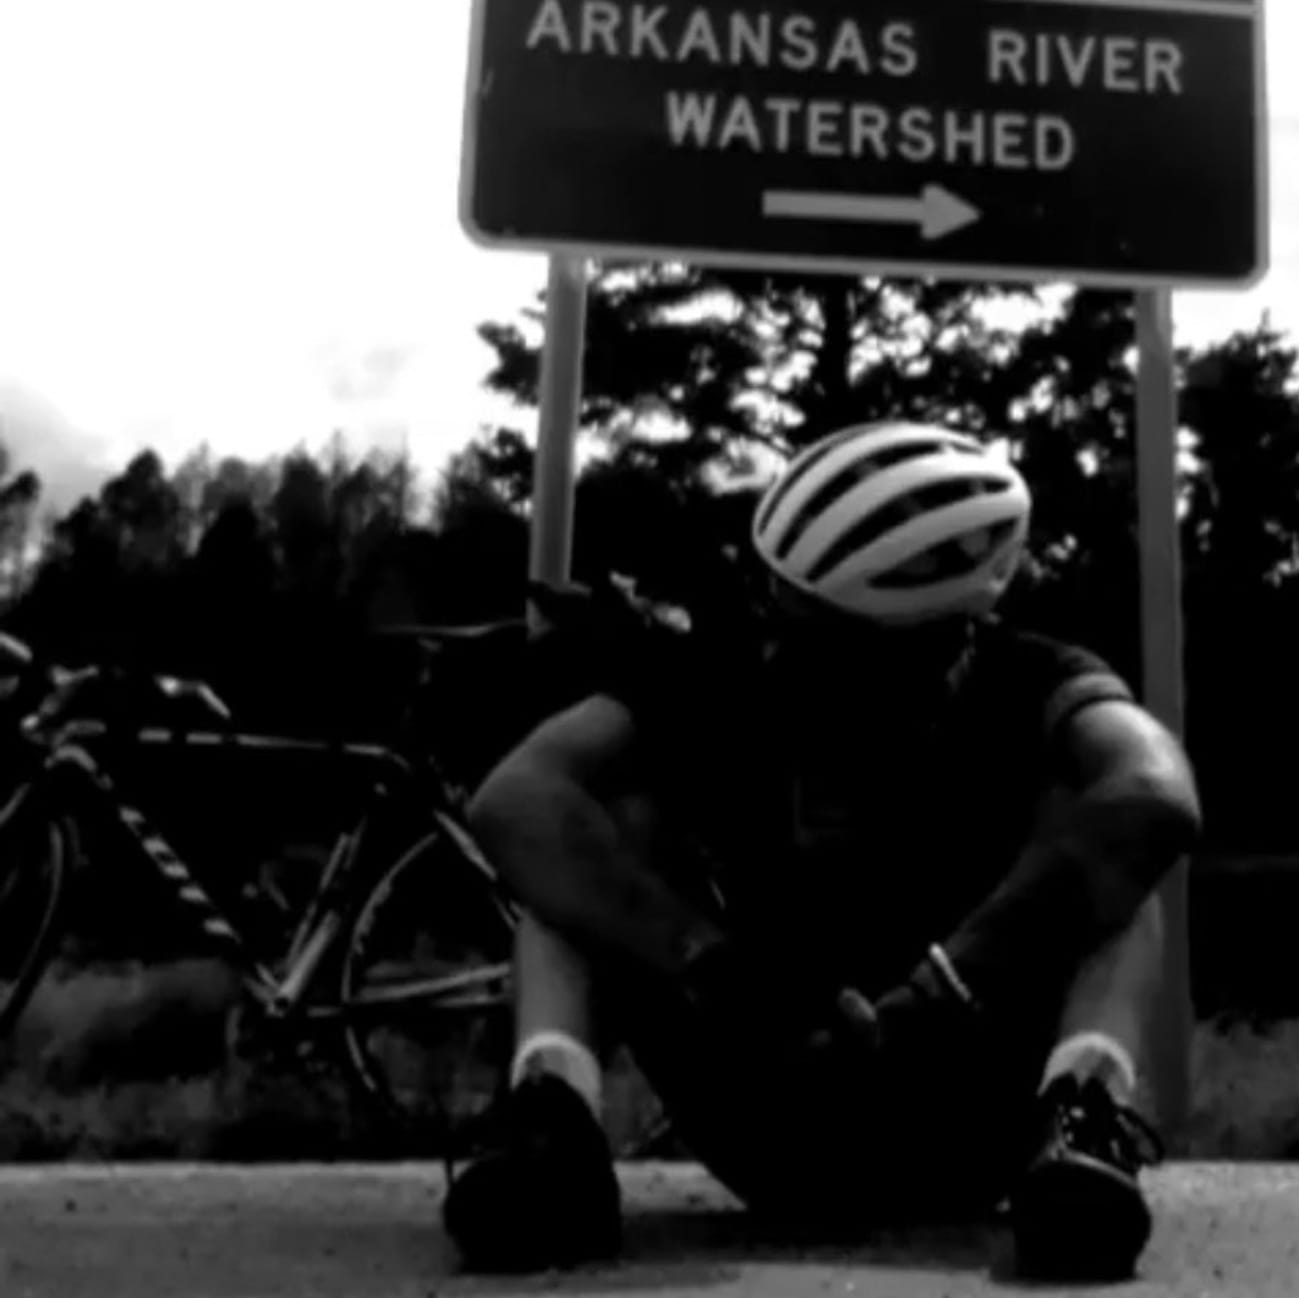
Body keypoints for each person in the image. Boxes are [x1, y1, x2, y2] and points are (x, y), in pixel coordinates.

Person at [441, 419, 1201, 1282]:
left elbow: (1154, 794)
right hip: (765, 1093)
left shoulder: (1034, 679)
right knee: (584, 841)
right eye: (780, 611)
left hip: (967, 1113)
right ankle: (552, 1131)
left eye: (827, 640)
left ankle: (1083, 1128)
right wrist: (710, 963)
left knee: (1113, 857)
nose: (785, 653)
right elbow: (516, 797)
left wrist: (948, 987)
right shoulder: (719, 672)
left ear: (946, 640)